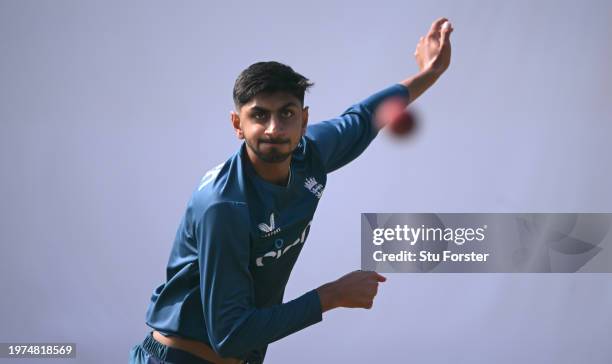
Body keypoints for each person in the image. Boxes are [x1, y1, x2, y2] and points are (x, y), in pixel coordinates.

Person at [130, 17, 453, 364]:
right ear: (238, 124)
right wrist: (332, 295)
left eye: (286, 113)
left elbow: (366, 115)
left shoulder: (309, 153)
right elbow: (230, 334)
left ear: (304, 119)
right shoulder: (223, 205)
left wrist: (431, 72)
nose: (274, 128)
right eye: (259, 115)